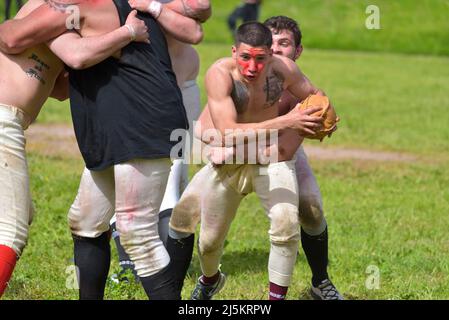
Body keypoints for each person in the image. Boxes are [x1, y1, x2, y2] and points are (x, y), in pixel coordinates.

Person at [0, 0, 210, 300]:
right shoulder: (103, 9)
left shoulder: (85, 8)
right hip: (116, 125)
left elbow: (66, 55)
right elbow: (61, 65)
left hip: (139, 122)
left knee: (136, 232)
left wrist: (127, 29)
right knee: (86, 221)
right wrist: (125, 32)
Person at [169, 21, 331, 300]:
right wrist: (220, 146)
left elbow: (286, 147)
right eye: (245, 57)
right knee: (203, 237)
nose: (252, 67)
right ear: (235, 52)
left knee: (289, 220)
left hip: (269, 158)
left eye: (282, 45)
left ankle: (307, 287)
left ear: (293, 51)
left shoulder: (287, 76)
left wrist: (326, 118)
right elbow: (214, 131)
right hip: (231, 160)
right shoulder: (222, 75)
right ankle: (209, 279)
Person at [108, 0, 208, 286]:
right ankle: (132, 265)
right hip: (135, 90)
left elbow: (202, 12)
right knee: (126, 175)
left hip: (181, 88)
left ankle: (167, 272)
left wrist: (155, 6)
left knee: (175, 180)